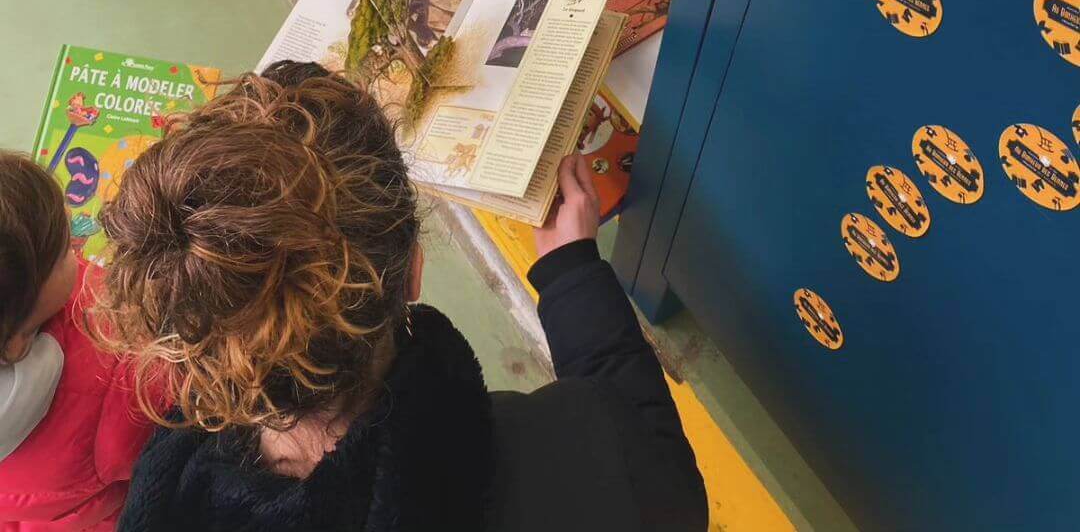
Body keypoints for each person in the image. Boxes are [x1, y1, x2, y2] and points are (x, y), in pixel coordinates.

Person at [98, 61, 707, 531]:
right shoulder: (571, 460)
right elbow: (659, 465)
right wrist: (573, 271)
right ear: (413, 273)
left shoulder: (170, 488)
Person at [0, 153, 155, 530]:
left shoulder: (17, 306)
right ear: (17, 346)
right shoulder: (118, 371)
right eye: (63, 253)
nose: (74, 243)